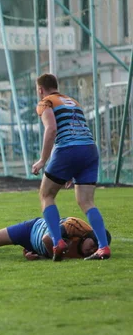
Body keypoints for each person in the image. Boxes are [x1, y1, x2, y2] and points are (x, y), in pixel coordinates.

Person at [31, 73, 111, 261]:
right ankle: (103, 247)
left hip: (68, 149)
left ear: (40, 89)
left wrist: (43, 160)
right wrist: (69, 170)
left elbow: (51, 129)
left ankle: (58, 242)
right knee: (86, 202)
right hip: (90, 150)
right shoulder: (73, 101)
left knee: (46, 195)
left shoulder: (46, 102)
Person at [0, 217, 111, 261]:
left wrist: (35, 255)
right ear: (87, 236)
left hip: (35, 245)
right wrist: (53, 258)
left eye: (97, 248)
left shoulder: (93, 253)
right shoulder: (74, 226)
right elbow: (48, 239)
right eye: (93, 244)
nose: (92, 249)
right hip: (31, 229)